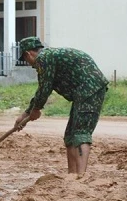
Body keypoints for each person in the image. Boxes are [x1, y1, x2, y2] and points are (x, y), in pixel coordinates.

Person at [15, 37, 108, 176]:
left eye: (26, 60)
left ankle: (81, 176)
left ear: (28, 54)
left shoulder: (44, 59)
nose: (30, 65)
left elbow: (44, 89)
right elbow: (44, 88)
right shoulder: (49, 57)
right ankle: (72, 175)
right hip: (82, 92)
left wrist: (35, 109)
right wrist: (26, 113)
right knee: (70, 135)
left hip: (89, 89)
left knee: (80, 133)